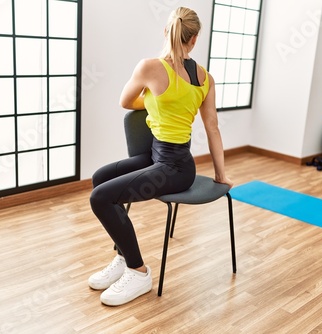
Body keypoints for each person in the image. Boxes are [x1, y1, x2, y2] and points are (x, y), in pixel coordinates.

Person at [88, 6, 233, 306]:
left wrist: (155, 97)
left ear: (165, 31)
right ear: (194, 40)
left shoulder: (149, 68)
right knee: (100, 178)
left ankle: (138, 271)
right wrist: (221, 174)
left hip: (171, 168)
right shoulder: (205, 78)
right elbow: (213, 128)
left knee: (100, 197)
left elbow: (126, 102)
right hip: (173, 162)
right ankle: (123, 256)